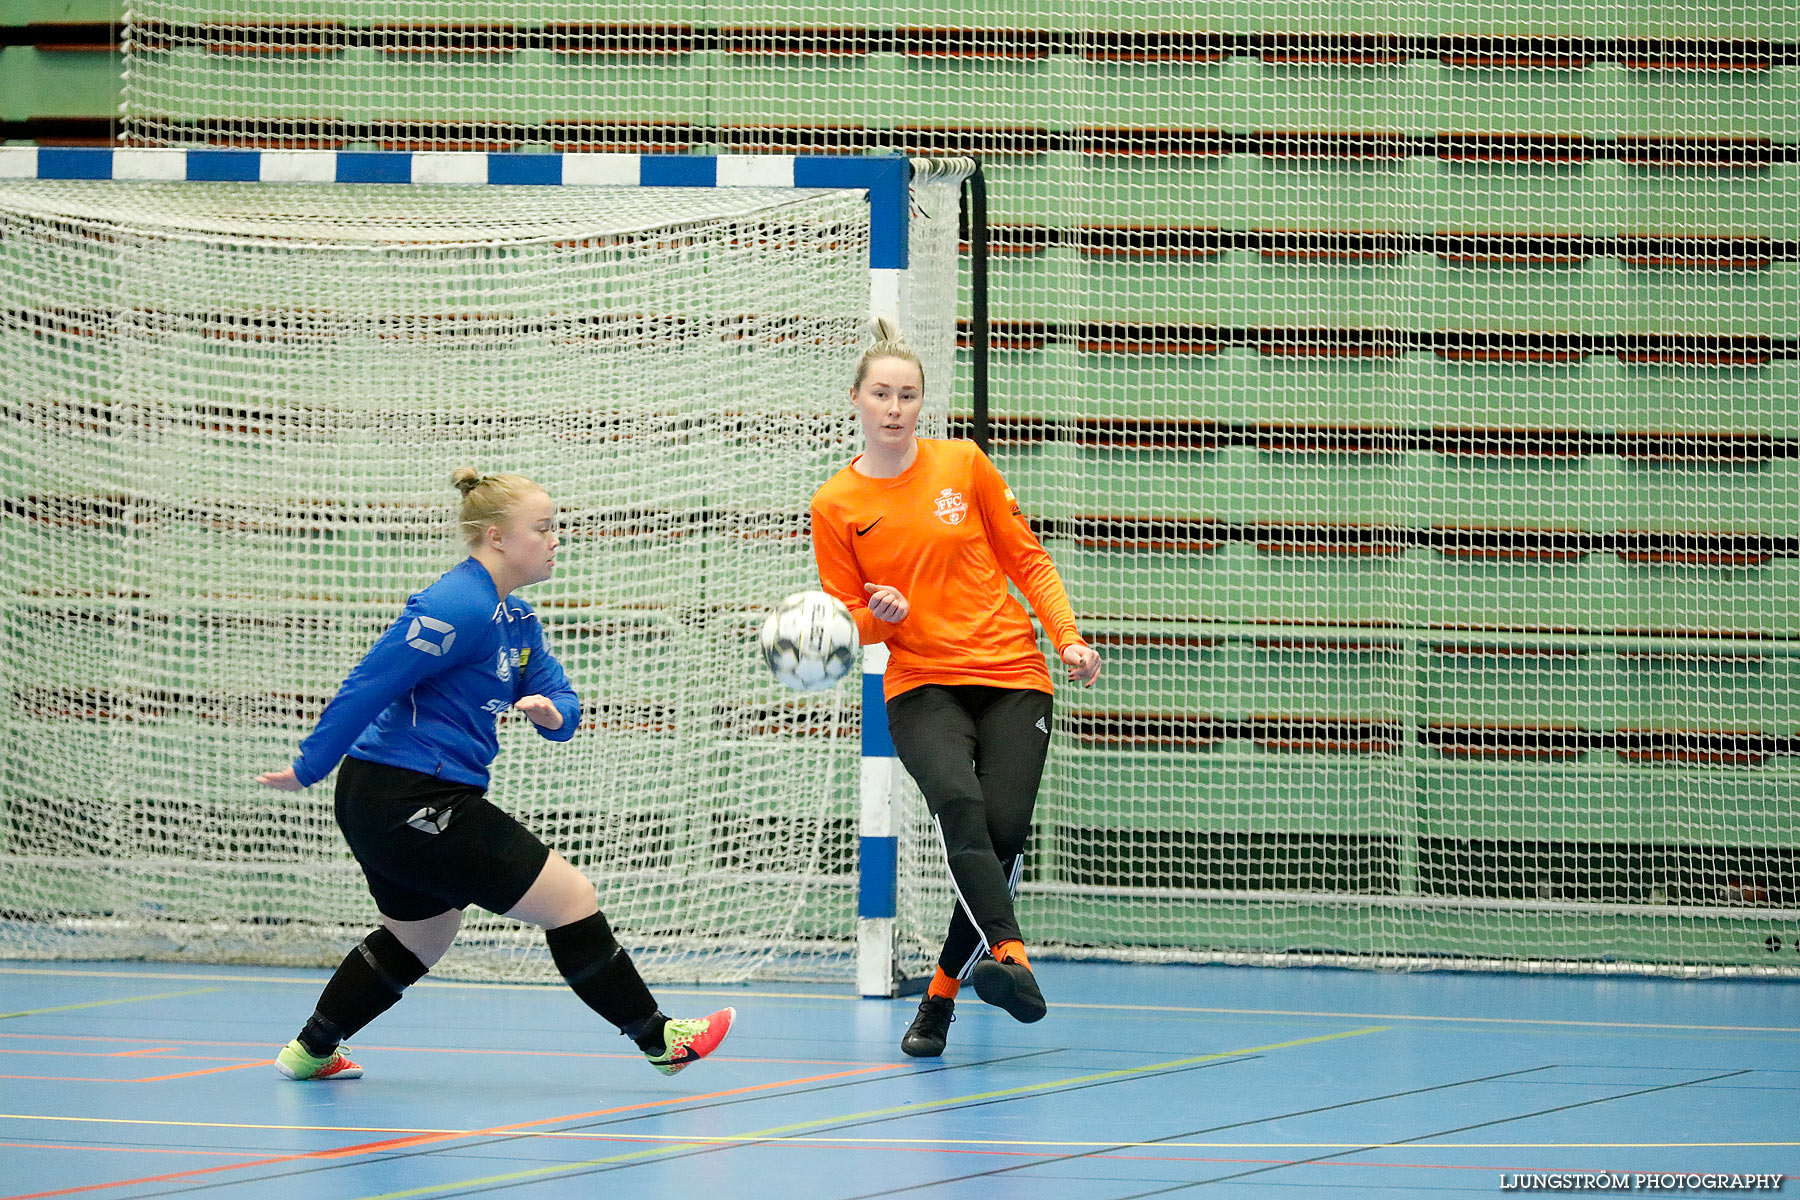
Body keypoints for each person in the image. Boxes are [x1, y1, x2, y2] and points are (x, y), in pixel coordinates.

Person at [257, 468, 733, 1081]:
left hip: (408, 798)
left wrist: (554, 712)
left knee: (422, 935)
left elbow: (559, 695)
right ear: (496, 538)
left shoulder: (517, 620)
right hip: (402, 794)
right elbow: (371, 681)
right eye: (542, 528)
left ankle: (311, 1049)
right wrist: (308, 766)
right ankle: (660, 1038)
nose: (555, 539)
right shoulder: (458, 604)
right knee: (570, 898)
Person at [809, 322, 1102, 1058]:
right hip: (919, 685)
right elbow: (844, 624)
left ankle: (940, 996)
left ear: (921, 405)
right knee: (959, 805)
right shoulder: (836, 503)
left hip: (1012, 674)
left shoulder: (963, 464)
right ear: (856, 400)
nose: (895, 406)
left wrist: (1065, 635)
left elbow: (1028, 560)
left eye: (908, 394)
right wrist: (877, 619)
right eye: (881, 392)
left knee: (1001, 836)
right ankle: (1012, 960)